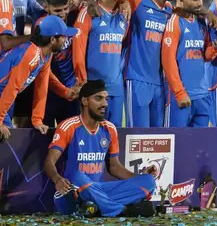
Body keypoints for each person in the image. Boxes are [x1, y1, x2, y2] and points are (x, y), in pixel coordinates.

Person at [0, 16, 77, 217]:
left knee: (0, 146)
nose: (67, 41)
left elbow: (42, 87)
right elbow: (13, 87)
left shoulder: (44, 55)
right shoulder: (30, 54)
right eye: (64, 37)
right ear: (53, 39)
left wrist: (37, 119)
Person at [45, 80, 156, 218]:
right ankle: (124, 210)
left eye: (106, 99)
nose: (105, 104)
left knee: (148, 181)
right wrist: (57, 179)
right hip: (72, 191)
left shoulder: (109, 129)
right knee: (76, 174)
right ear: (84, 101)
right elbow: (49, 161)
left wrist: (138, 177)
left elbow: (114, 167)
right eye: (98, 98)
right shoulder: (69, 126)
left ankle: (95, 208)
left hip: (99, 190)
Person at [122, 0, 184, 128]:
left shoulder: (170, 10)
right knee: (137, 134)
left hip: (160, 83)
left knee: (158, 135)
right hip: (137, 78)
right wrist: (123, 2)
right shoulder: (138, 0)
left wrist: (208, 13)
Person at [162, 0, 217, 127]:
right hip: (181, 97)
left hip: (202, 95)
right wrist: (179, 93)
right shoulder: (174, 23)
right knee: (177, 146)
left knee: (199, 148)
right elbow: (168, 61)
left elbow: (205, 57)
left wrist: (215, 48)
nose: (199, 4)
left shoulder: (200, 22)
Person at [73, 0, 128, 127]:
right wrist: (83, 84)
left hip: (116, 91)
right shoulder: (89, 13)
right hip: (93, 90)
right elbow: (78, 52)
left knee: (115, 139)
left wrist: (125, 2)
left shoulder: (123, 15)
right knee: (91, 138)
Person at [41, 0, 82, 127]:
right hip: (48, 91)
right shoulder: (41, 28)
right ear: (46, 7)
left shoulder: (74, 16)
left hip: (72, 89)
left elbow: (95, 3)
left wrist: (81, 0)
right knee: (45, 137)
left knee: (72, 135)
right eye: (57, 10)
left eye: (65, 8)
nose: (63, 14)